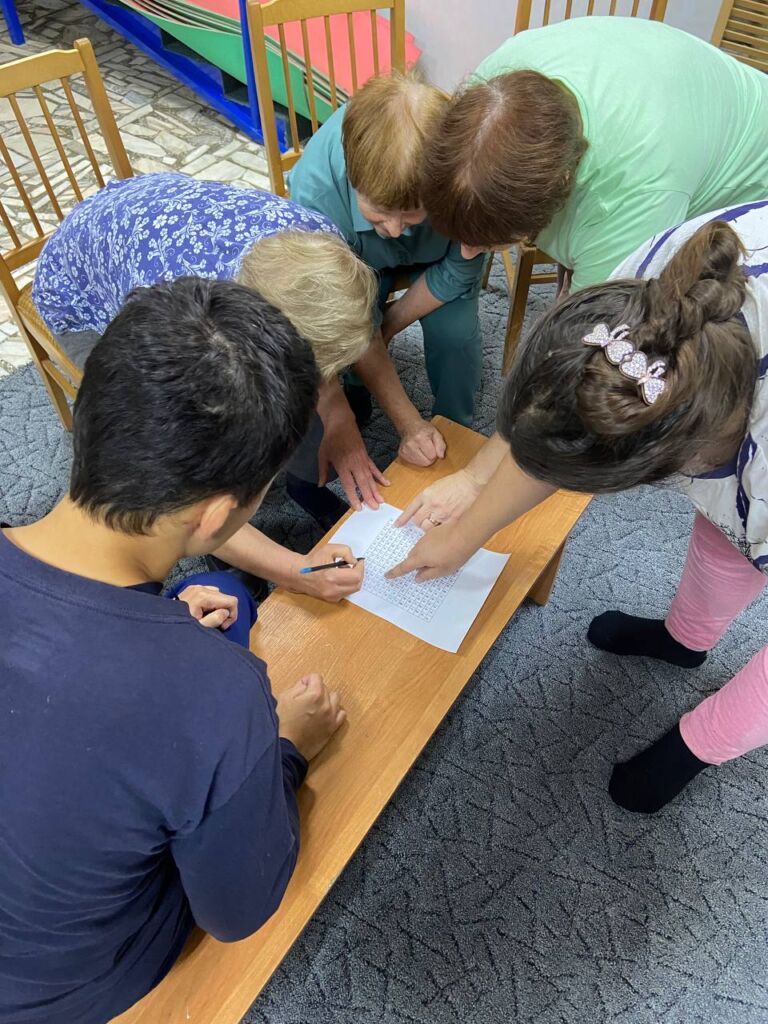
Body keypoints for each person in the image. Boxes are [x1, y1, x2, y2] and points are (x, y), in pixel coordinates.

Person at [0, 277, 349, 1024]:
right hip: (64, 990)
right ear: (220, 513)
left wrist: (155, 632)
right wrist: (286, 748)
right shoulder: (219, 693)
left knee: (222, 593)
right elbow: (236, 911)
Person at [389, 200, 768, 813]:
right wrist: (463, 535)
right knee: (727, 533)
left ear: (674, 464)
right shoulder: (646, 299)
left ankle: (695, 746)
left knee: (745, 531)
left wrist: (699, 743)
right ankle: (686, 639)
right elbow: (566, 425)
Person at [32, 171, 374, 600]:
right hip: (80, 289)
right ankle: (223, 553)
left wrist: (337, 412)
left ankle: (304, 485)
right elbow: (183, 491)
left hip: (146, 225)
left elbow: (321, 355)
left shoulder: (325, 244)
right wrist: (296, 571)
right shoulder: (175, 334)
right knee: (200, 460)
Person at [422, 17, 768, 293]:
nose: (466, 252)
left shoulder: (632, 191)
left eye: (489, 245)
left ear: (562, 185)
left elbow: (596, 323)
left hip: (752, 165)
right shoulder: (494, 77)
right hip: (675, 96)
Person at [288, 71, 488, 438]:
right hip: (355, 260)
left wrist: (389, 322)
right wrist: (409, 424)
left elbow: (462, 267)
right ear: (353, 180)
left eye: (412, 214)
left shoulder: (467, 174)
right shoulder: (314, 198)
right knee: (350, 331)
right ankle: (357, 388)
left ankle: (456, 426)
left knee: (456, 336)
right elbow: (347, 313)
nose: (395, 229)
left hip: (438, 257)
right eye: (380, 212)